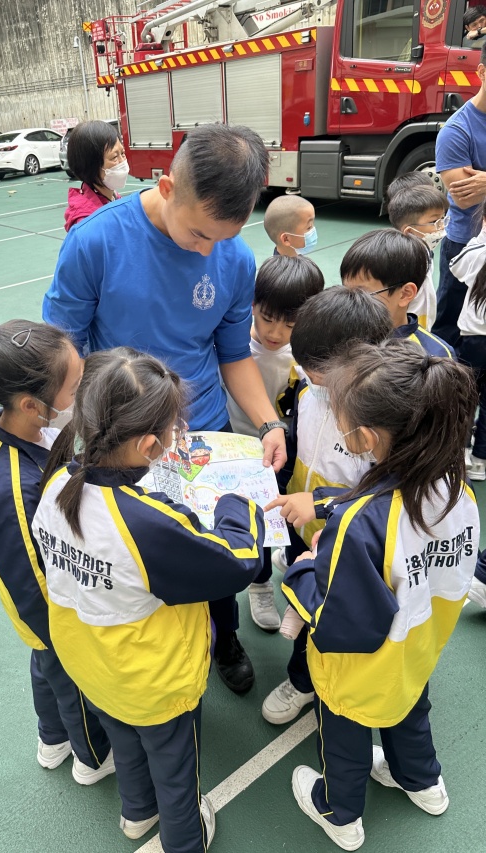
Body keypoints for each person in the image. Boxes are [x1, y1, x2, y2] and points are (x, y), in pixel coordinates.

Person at [42, 123, 286, 695]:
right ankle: (157, 652)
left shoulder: (233, 258)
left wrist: (269, 422)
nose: (206, 251)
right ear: (167, 187)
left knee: (214, 545)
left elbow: (233, 355)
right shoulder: (95, 243)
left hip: (203, 431)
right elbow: (65, 353)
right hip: (122, 441)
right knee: (136, 553)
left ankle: (224, 638)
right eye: (199, 234)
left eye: (223, 238)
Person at [34, 348, 265, 852]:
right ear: (148, 445)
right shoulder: (144, 524)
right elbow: (238, 562)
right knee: (176, 770)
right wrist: (237, 504)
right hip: (152, 678)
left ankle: (137, 814)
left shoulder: (55, 482)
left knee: (125, 741)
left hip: (90, 661)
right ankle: (185, 839)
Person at [281, 339, 479, 851]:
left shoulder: (360, 523)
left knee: (343, 732)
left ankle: (339, 813)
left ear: (366, 437)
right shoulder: (458, 491)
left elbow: (339, 620)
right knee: (411, 709)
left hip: (359, 669)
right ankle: (423, 783)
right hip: (419, 646)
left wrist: (302, 571)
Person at [0, 317, 114, 784]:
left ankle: (52, 738)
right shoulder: (13, 488)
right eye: (74, 388)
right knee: (67, 674)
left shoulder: (24, 428)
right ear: (31, 404)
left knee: (45, 665)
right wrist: (65, 635)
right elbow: (29, 576)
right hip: (43, 606)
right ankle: (92, 758)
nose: (80, 395)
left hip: (35, 599)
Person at [259, 288, 394, 727]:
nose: (308, 376)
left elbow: (382, 495)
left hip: (343, 542)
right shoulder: (307, 389)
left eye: (318, 372)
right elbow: (302, 444)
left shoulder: (381, 420)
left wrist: (318, 503)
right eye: (305, 366)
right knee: (302, 598)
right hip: (302, 526)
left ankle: (302, 682)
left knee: (322, 617)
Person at [225, 254, 324, 632]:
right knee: (252, 524)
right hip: (237, 451)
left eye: (290, 324)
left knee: (280, 519)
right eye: (267, 318)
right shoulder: (233, 348)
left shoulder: (304, 358)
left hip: (284, 456)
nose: (276, 332)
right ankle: (259, 582)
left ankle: (283, 574)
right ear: (252, 304)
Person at [434, 42, 486, 347]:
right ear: (481, 72)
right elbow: (466, 197)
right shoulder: (457, 130)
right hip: (465, 245)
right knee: (451, 330)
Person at [341, 229, 456, 357]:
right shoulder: (337, 338)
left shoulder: (436, 355)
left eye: (362, 293)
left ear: (405, 294)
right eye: (346, 291)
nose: (349, 301)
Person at [447, 203, 486, 480]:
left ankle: (461, 452)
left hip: (474, 340)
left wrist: (479, 237)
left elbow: (455, 267)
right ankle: (481, 460)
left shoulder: (477, 251)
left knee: (466, 395)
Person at [386, 180, 450, 330]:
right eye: (434, 221)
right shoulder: (402, 263)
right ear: (409, 231)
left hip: (423, 325)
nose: (441, 226)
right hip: (407, 330)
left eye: (443, 219)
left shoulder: (425, 250)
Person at [64, 120, 128, 232]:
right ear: (91, 166)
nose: (122, 162)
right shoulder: (88, 223)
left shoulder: (113, 197)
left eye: (122, 153)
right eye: (114, 157)